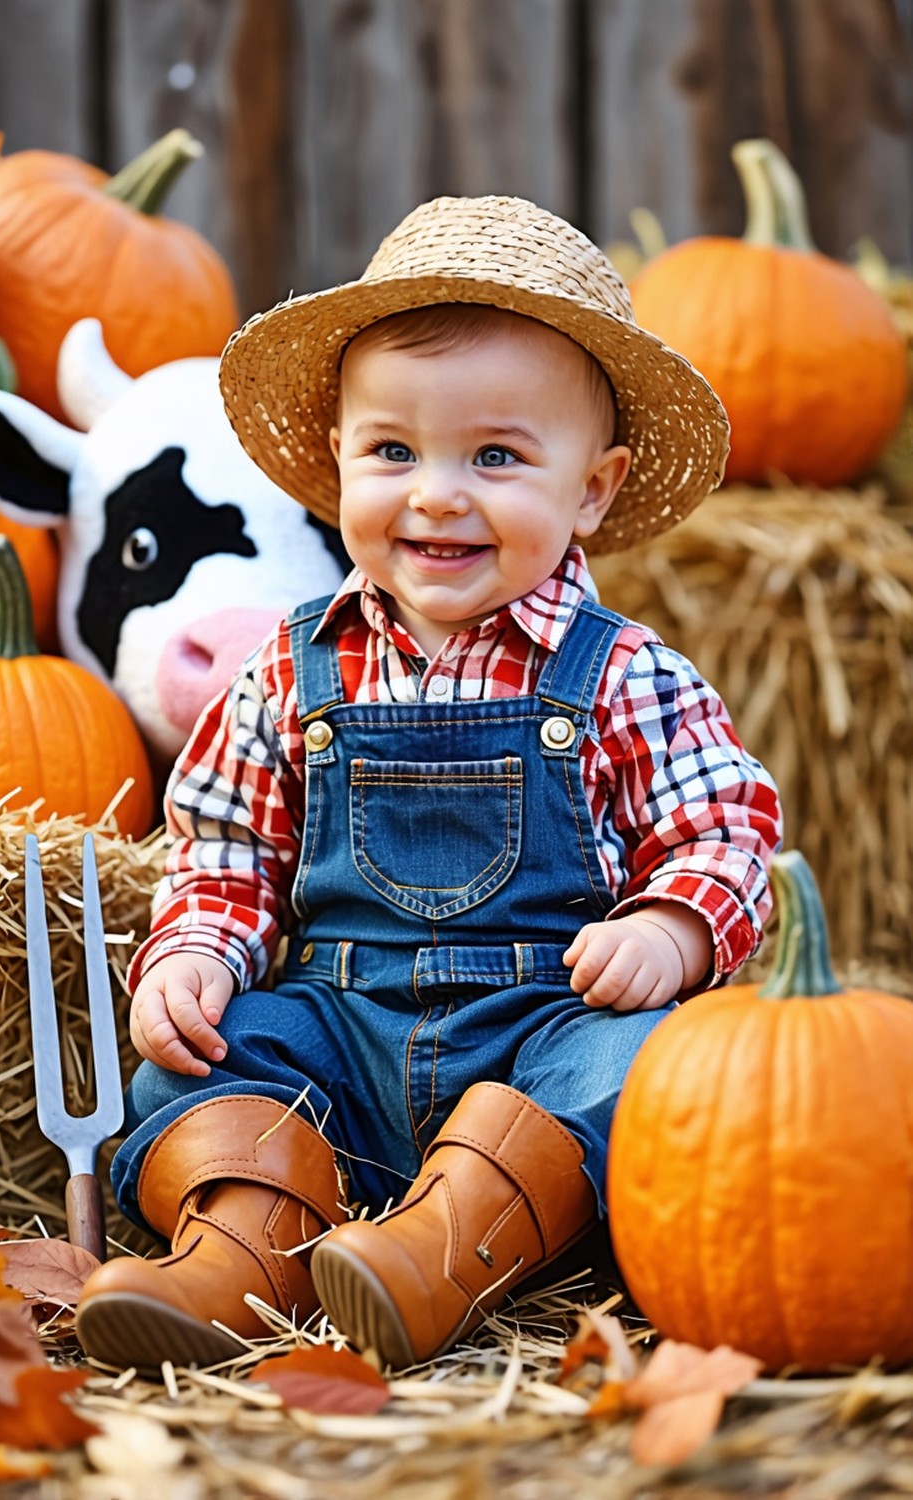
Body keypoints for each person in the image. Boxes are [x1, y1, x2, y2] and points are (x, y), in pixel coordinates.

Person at [75, 195, 783, 1373]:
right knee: (197, 1059)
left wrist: (672, 923)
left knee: (645, 1073)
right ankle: (244, 1254)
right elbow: (225, 847)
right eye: (393, 451)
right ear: (338, 463)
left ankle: (445, 1253)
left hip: (541, 1030)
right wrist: (197, 954)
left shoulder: (619, 672)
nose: (438, 493)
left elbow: (725, 825)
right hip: (339, 1037)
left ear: (592, 491)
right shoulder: (292, 665)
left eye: (496, 456)